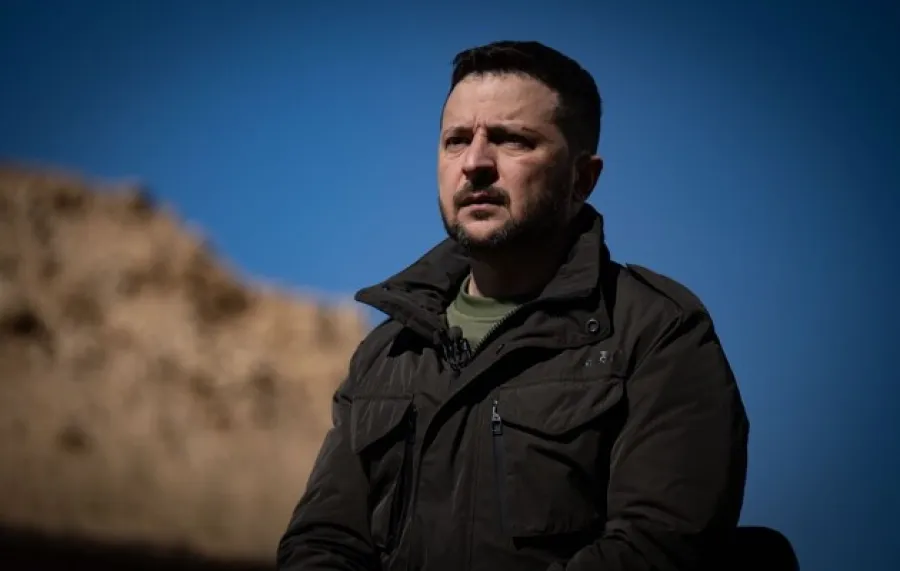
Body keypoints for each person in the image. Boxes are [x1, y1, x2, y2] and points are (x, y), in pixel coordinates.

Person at [276, 40, 749, 571]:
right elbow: (322, 543)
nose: (475, 163)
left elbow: (657, 546)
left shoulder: (656, 332)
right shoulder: (388, 353)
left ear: (582, 179)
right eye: (456, 141)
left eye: (512, 140)